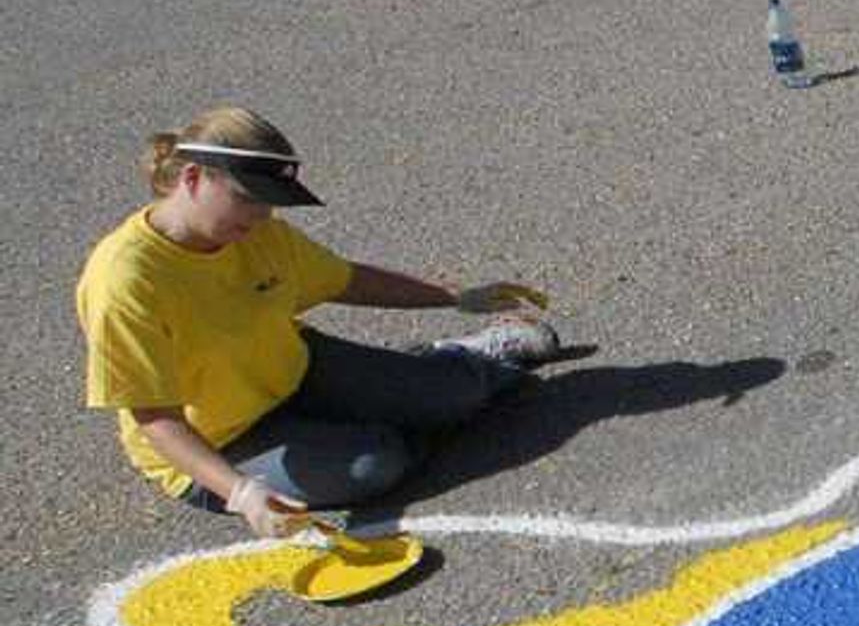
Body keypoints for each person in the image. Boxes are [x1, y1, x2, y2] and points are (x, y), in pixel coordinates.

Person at [76, 108, 563, 539]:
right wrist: (240, 492)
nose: (263, 214)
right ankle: (392, 410)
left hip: (294, 371)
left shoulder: (257, 234)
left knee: (457, 398)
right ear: (193, 177)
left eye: (270, 201)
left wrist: (455, 297)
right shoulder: (125, 281)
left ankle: (458, 359)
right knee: (374, 466)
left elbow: (347, 281)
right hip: (221, 442)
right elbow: (157, 419)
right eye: (249, 197)